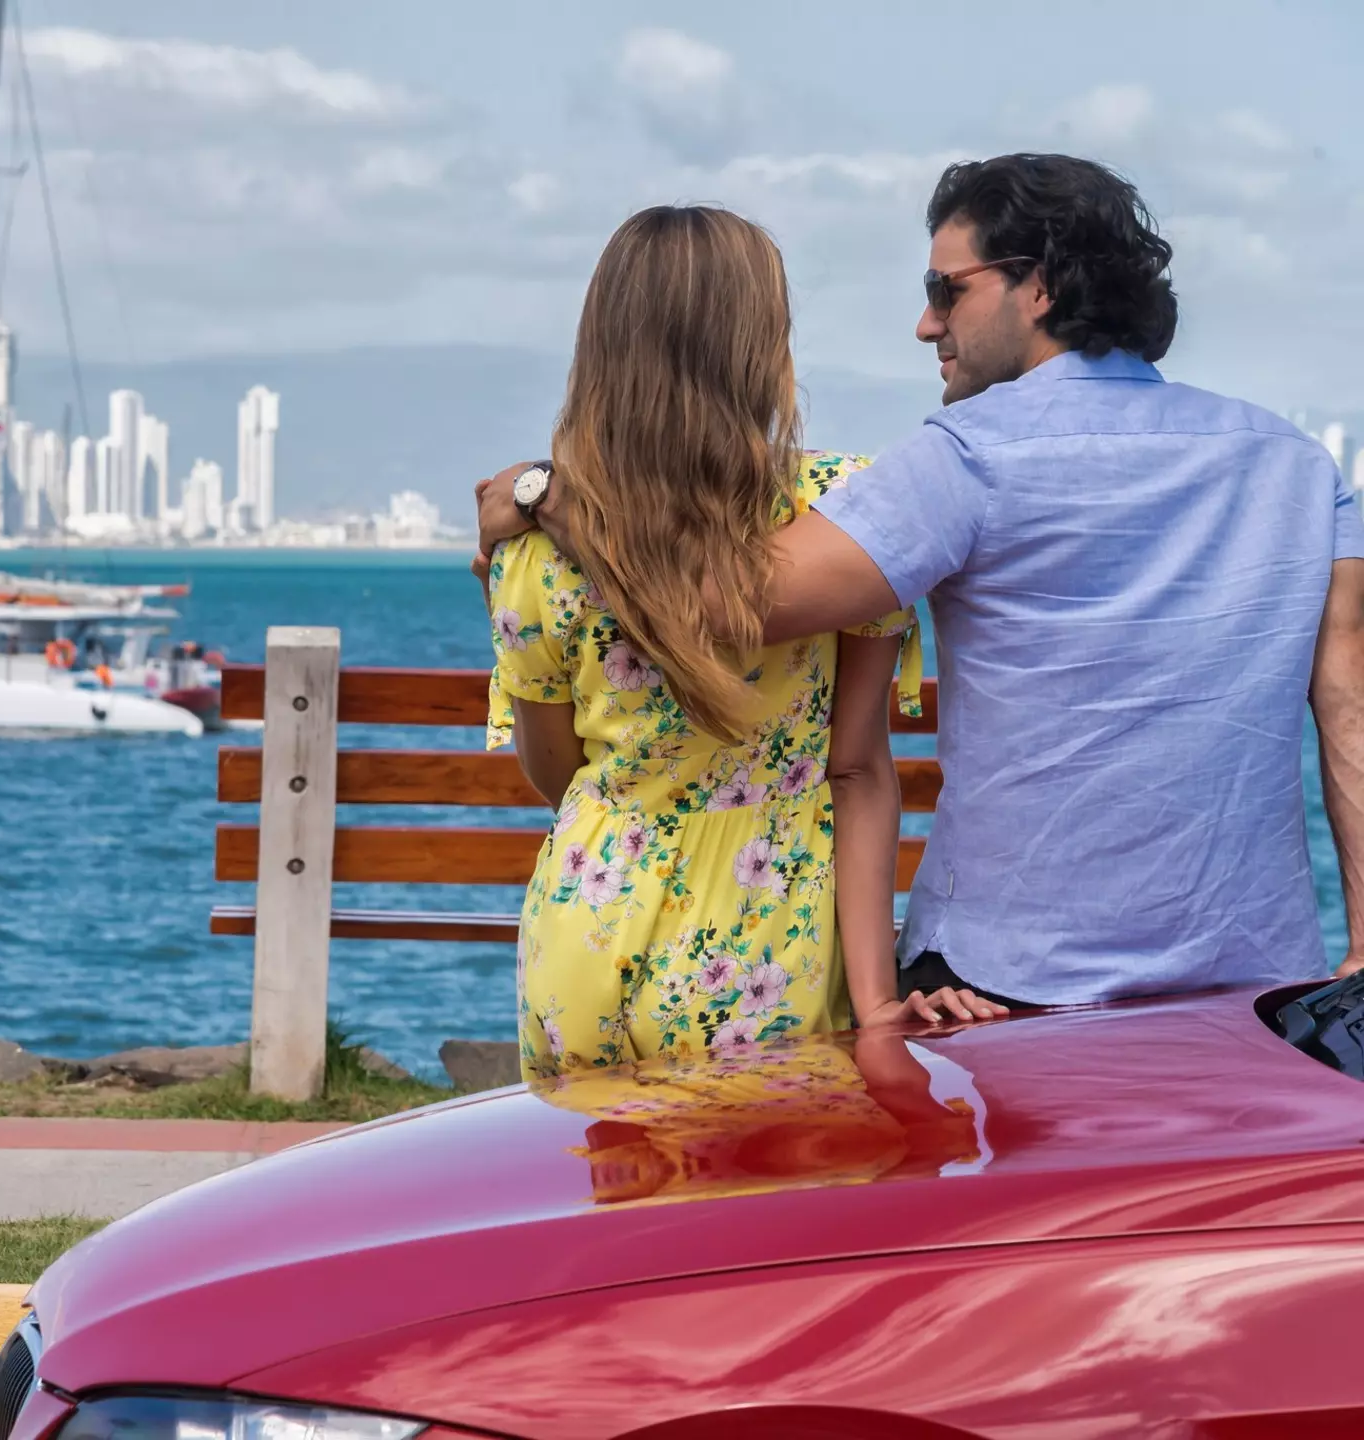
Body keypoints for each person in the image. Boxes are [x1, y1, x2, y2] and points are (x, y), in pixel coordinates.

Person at [478, 153, 1364, 1008]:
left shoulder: (967, 459)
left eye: (948, 289)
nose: (926, 324)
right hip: (1249, 980)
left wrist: (552, 496)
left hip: (1004, 980)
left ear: (1041, 286)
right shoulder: (1298, 467)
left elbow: (720, 606)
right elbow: (1349, 710)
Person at [488, 206, 1006, 1081]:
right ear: (762, 345)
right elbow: (857, 768)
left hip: (588, 927)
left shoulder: (536, 544)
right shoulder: (841, 512)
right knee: (777, 1207)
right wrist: (877, 1001)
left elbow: (557, 774)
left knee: (606, 1210)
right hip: (770, 942)